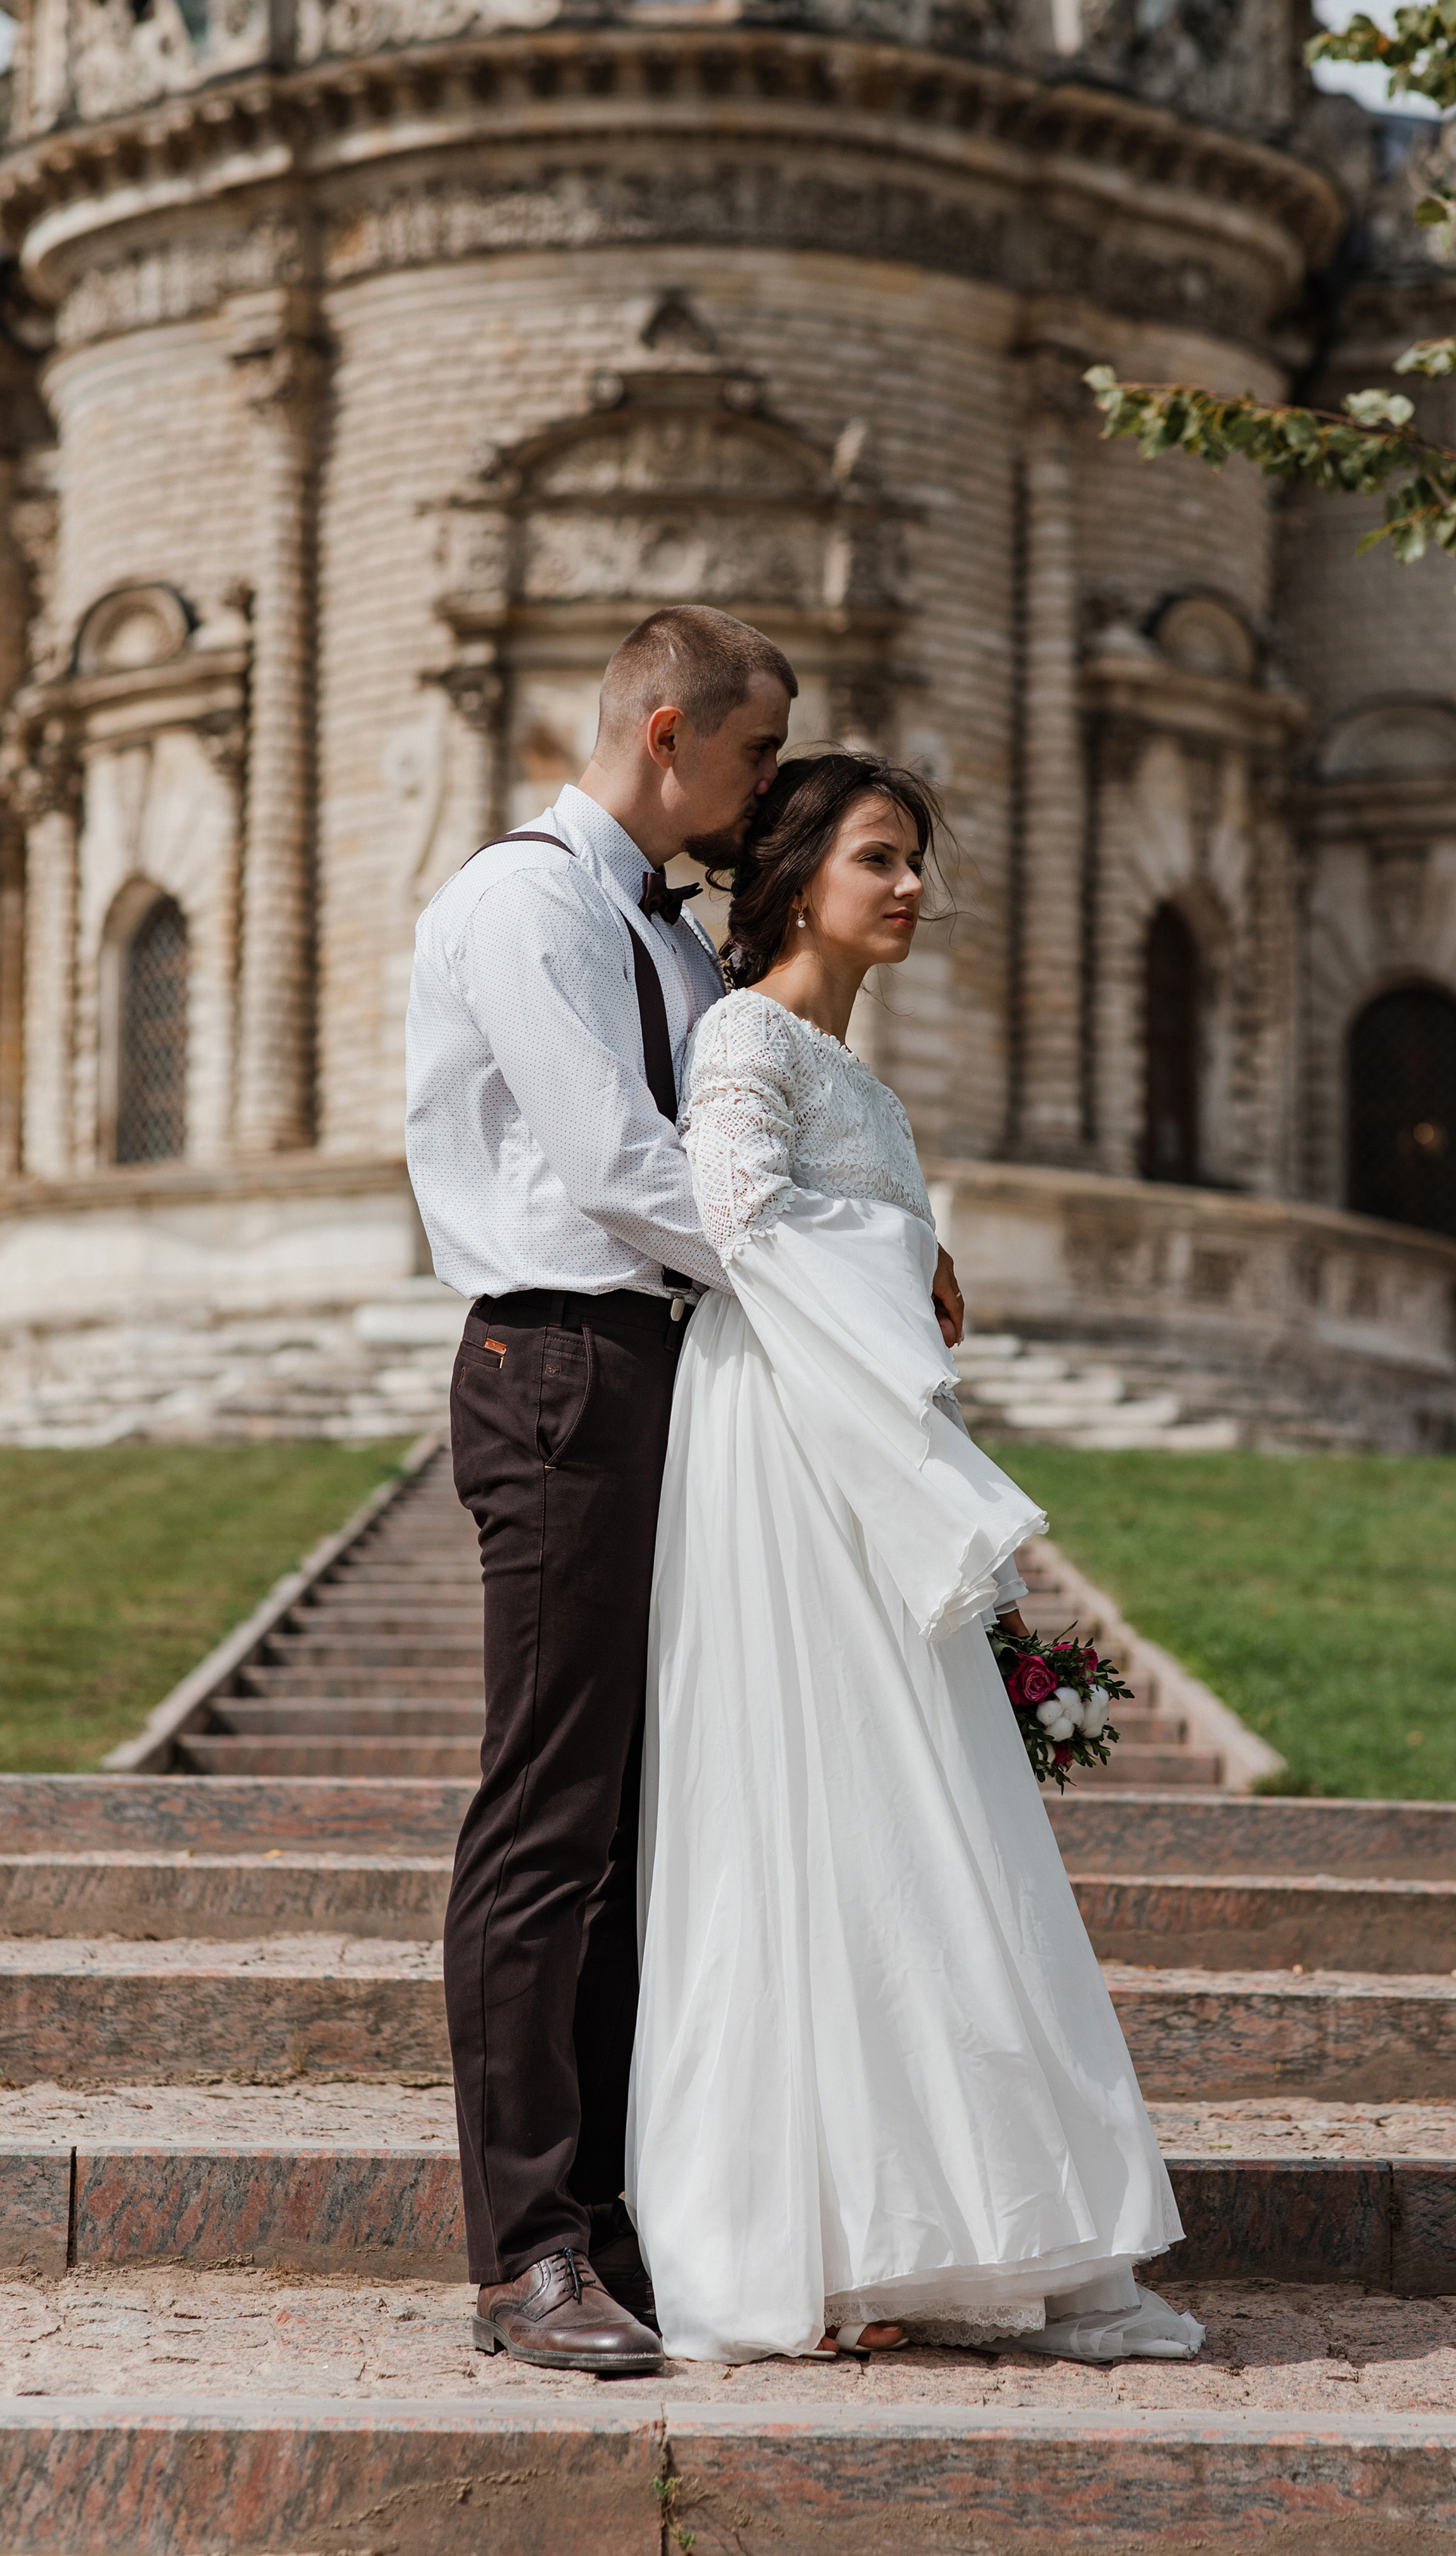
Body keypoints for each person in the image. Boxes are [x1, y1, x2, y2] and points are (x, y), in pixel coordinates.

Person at [405, 608, 966, 2375]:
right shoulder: (528, 902)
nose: (759, 793)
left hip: (665, 1374)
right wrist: (847, 1282)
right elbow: (624, 1166)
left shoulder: (662, 932)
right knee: (552, 1816)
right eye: (747, 757)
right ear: (667, 734)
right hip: (561, 1365)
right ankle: (524, 2257)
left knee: (654, 1823)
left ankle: (628, 2211)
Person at [626, 751, 1204, 2365]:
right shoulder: (744, 1034)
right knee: (818, 1802)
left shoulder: (851, 1072)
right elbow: (729, 1212)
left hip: (849, 1427)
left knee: (912, 1810)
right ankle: (809, 2232)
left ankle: (959, 2224)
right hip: (788, 1450)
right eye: (878, 858)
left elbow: (812, 1217)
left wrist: (910, 1254)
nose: (908, 888)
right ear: (794, 875)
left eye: (914, 862)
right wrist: (902, 1255)